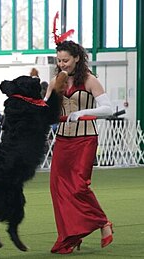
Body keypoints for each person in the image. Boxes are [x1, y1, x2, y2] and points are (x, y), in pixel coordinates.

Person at [44, 40, 114, 254]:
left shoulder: (90, 80)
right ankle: (69, 236)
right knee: (58, 189)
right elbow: (46, 109)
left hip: (85, 140)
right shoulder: (55, 81)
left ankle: (102, 222)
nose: (62, 64)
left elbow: (108, 109)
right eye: (59, 60)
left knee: (78, 187)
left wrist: (81, 113)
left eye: (65, 60)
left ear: (76, 58)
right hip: (62, 140)